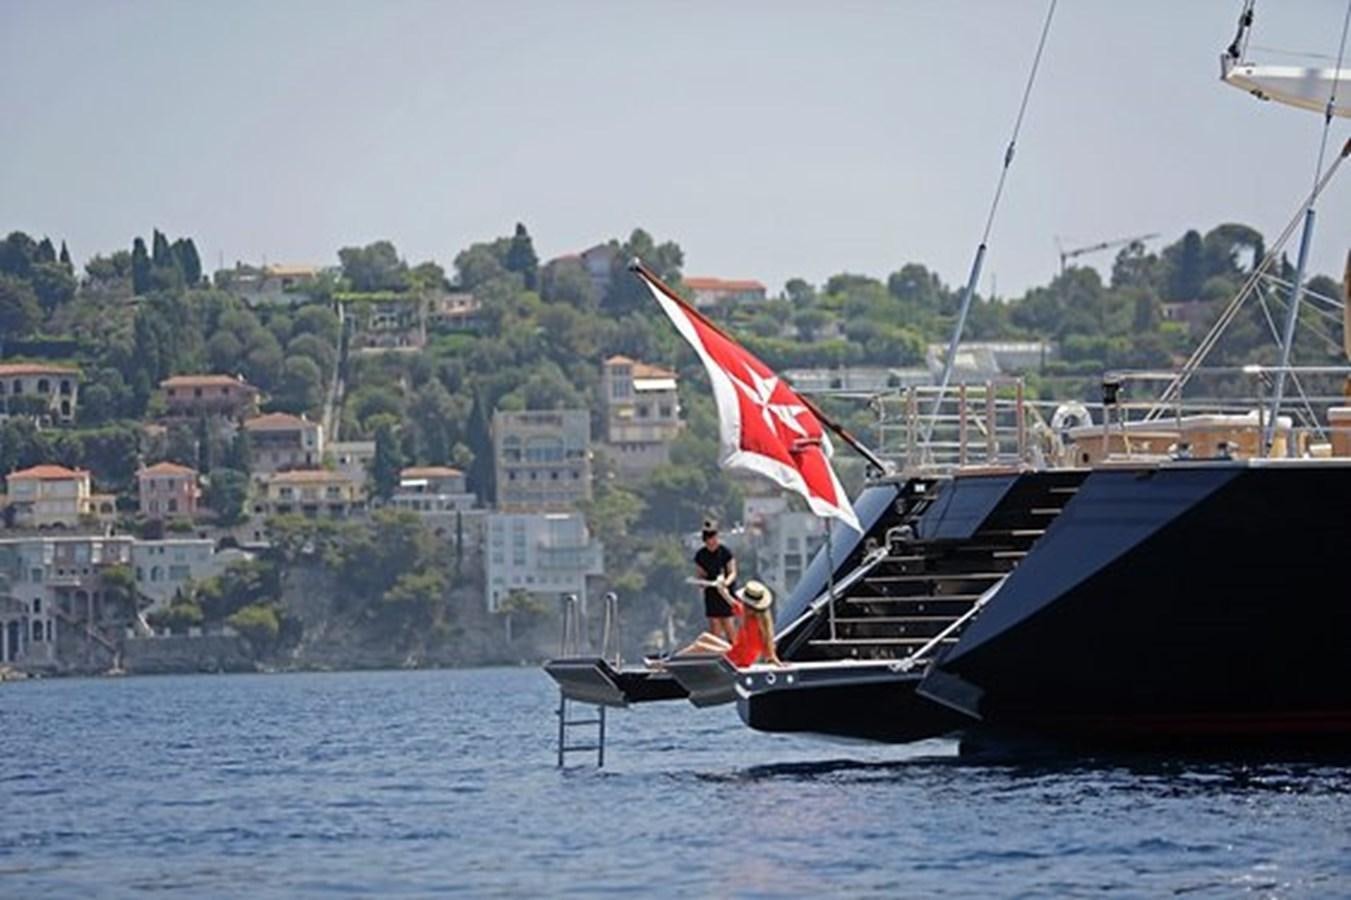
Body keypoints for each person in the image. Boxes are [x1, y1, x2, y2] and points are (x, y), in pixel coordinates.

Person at [693, 519, 738, 644]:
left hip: (725, 594)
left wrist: (725, 583)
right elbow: (700, 574)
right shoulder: (700, 555)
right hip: (711, 593)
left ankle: (734, 649)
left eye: (713, 539)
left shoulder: (725, 552)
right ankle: (716, 653)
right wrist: (702, 582)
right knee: (715, 626)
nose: (711, 542)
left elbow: (732, 572)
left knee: (729, 624)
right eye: (708, 540)